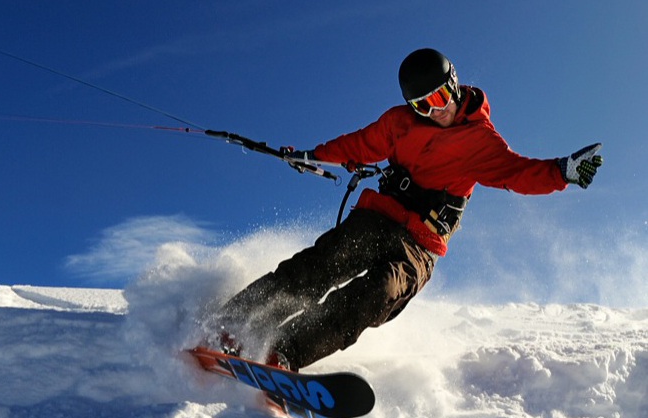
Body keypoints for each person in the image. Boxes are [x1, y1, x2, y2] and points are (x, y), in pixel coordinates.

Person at [207, 48, 603, 371]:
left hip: (419, 243)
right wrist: (312, 155)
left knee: (378, 293)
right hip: (379, 216)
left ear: (453, 86)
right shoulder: (399, 124)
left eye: (438, 99)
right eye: (421, 105)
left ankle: (284, 354)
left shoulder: (480, 142)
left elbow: (519, 173)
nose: (434, 111)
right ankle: (232, 324)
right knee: (322, 264)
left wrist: (561, 173)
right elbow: (358, 144)